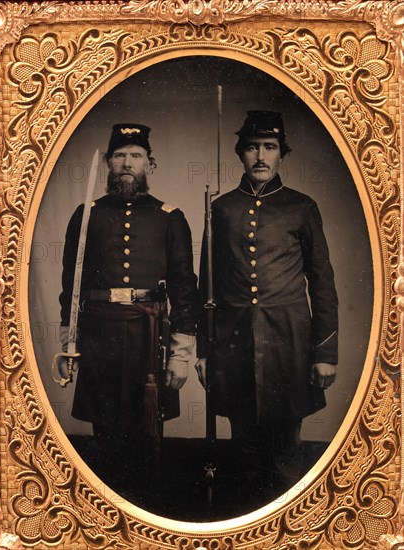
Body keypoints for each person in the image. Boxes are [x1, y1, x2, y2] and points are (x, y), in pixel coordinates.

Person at [195, 110, 338, 508]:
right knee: (242, 448)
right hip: (234, 341)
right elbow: (207, 284)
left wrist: (325, 354)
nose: (261, 156)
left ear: (281, 155)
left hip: (289, 342)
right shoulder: (220, 210)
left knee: (286, 447)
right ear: (241, 153)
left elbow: (323, 282)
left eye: (270, 147)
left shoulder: (302, 208)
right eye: (253, 147)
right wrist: (205, 352)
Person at [58, 123, 198, 485]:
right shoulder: (86, 214)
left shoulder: (170, 217)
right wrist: (68, 343)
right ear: (108, 162)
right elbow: (70, 286)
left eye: (135, 156)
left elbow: (185, 289)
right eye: (119, 155)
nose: (126, 163)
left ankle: (145, 502)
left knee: (147, 427)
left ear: (150, 164)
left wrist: (182, 354)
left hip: (149, 336)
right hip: (99, 336)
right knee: (103, 432)